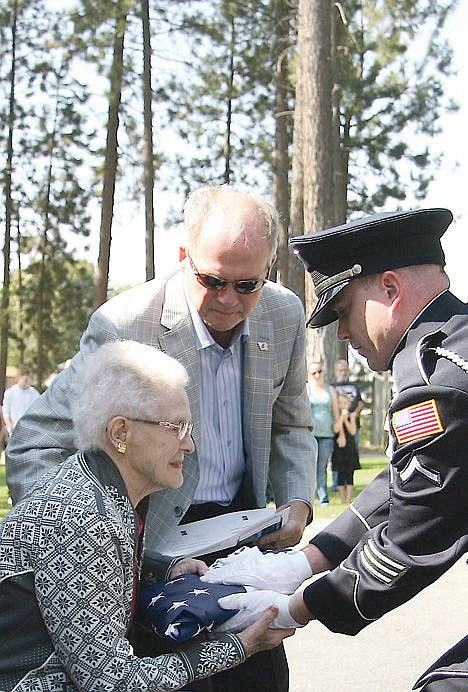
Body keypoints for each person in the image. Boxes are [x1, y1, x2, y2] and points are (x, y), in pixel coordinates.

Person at [6, 184, 316, 692]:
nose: (228, 300)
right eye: (213, 279)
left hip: (244, 531)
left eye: (247, 285)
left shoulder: (283, 316)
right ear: (182, 257)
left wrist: (299, 500)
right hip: (149, 535)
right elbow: (33, 443)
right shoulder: (125, 324)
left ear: (271, 267)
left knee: (258, 676)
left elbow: (292, 424)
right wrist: (95, 541)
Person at [200, 208, 468, 691]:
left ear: (390, 289)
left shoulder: (439, 381)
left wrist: (293, 607)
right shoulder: (454, 350)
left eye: (343, 311)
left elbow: (409, 545)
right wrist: (304, 560)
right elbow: (406, 480)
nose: (342, 334)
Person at [0, 340, 293, 691]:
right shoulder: (84, 519)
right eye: (176, 427)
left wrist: (162, 567)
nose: (189, 445)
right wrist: (239, 646)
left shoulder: (95, 486)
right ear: (120, 433)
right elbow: (111, 682)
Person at [306, 360, 339, 505]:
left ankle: (323, 498)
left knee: (322, 467)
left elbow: (336, 412)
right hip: (310, 434)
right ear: (309, 374)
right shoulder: (306, 389)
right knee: (308, 467)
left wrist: (341, 433)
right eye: (314, 372)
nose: (317, 374)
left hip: (327, 435)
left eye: (320, 371)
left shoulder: (330, 389)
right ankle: (306, 498)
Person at [330, 359, 364, 490]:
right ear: (335, 371)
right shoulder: (332, 387)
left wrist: (354, 413)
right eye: (340, 370)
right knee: (337, 457)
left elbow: (360, 403)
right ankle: (336, 484)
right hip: (337, 426)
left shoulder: (354, 387)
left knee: (351, 456)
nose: (343, 372)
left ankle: (350, 483)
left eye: (345, 370)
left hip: (353, 425)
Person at [331, 391, 358, 504]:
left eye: (344, 403)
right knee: (340, 475)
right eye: (340, 403)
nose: (342, 405)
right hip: (339, 449)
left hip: (350, 448)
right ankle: (343, 499)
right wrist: (341, 417)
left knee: (349, 474)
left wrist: (347, 419)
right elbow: (336, 429)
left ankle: (348, 498)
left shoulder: (351, 415)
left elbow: (352, 431)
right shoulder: (335, 416)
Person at [2, 365, 39, 437]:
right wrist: (10, 428)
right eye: (23, 375)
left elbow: (39, 411)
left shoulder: (34, 393)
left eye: (27, 375)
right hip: (15, 431)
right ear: (18, 377)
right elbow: (6, 413)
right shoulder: (9, 392)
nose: (25, 378)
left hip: (31, 431)